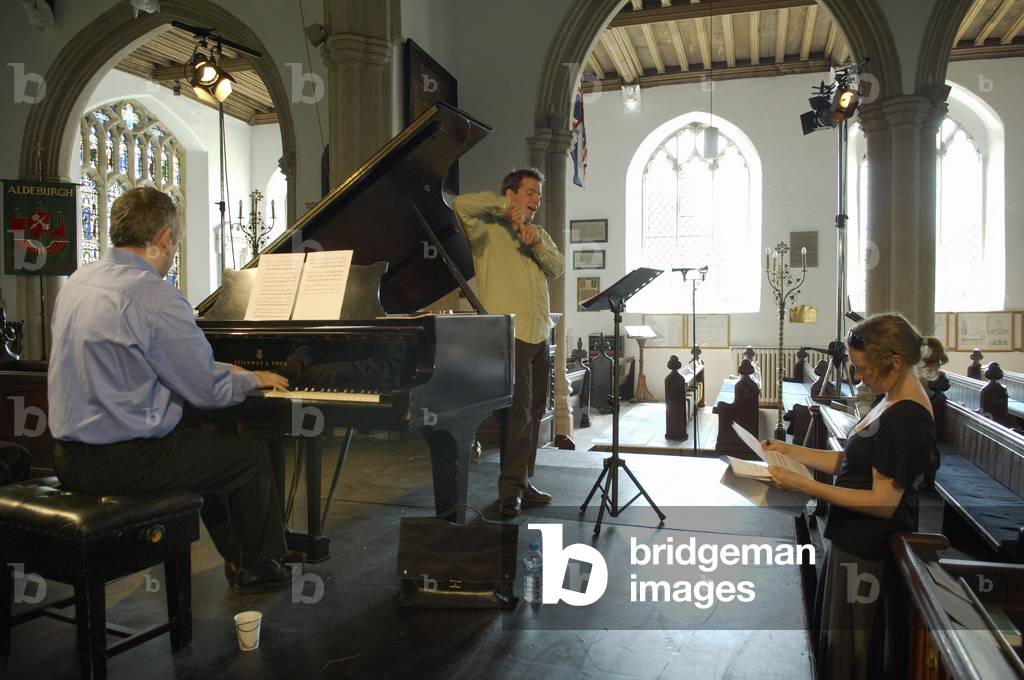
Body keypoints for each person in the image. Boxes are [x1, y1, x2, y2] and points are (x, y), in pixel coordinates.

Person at [48, 187, 293, 594]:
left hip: (66, 458)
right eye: (175, 242)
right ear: (164, 238)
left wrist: (225, 369)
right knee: (250, 457)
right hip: (126, 462)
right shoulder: (157, 297)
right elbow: (206, 391)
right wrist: (252, 378)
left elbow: (147, 360)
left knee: (205, 449)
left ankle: (238, 555)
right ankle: (261, 566)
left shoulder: (77, 282)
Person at [764, 313, 946, 680]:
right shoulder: (890, 399)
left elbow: (883, 503)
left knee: (856, 654)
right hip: (851, 541)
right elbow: (850, 462)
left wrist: (805, 486)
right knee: (837, 647)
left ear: (895, 362)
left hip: (869, 553)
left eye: (864, 368)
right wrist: (789, 450)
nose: (859, 377)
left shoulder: (907, 418)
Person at [453, 168, 565, 517]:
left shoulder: (539, 233)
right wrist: (504, 209)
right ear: (510, 193)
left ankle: (523, 481)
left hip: (539, 333)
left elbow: (557, 267)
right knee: (517, 417)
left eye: (539, 195)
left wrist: (538, 244)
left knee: (535, 413)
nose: (536, 200)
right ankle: (510, 492)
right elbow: (460, 204)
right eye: (530, 192)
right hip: (509, 335)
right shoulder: (485, 230)